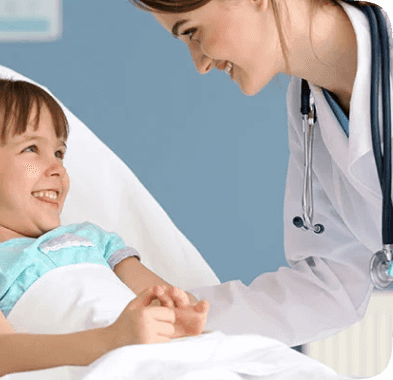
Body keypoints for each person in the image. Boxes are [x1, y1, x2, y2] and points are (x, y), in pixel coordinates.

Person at [127, 0, 392, 347]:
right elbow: (335, 278)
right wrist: (190, 316)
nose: (200, 64)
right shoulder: (308, 102)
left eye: (192, 32)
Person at [0, 72, 209, 379]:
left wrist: (180, 309)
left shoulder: (92, 239)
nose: (57, 168)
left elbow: (161, 295)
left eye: (59, 153)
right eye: (31, 148)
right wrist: (113, 340)